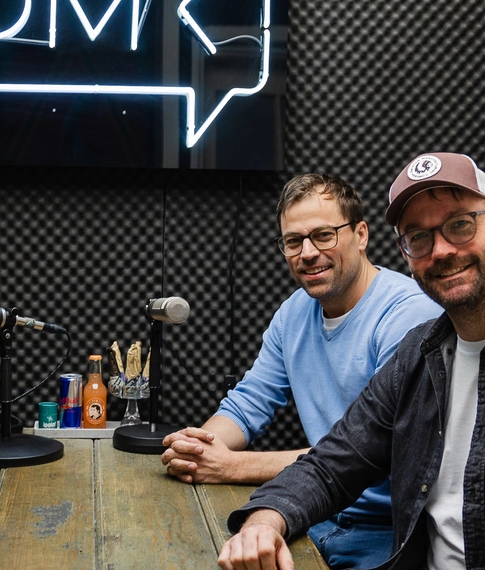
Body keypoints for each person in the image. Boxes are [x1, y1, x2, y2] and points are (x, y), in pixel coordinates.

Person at [219, 152, 485, 570]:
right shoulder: (419, 352)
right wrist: (264, 523)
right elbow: (334, 463)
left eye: (460, 225)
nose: (440, 250)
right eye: (419, 237)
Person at [161, 173, 442, 569]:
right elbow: (248, 403)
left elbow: (377, 454)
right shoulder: (294, 312)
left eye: (323, 235)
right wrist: (199, 449)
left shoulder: (408, 316)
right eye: (293, 241)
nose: (307, 253)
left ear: (361, 235)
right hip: (313, 511)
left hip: (387, 531)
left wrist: (231, 465)